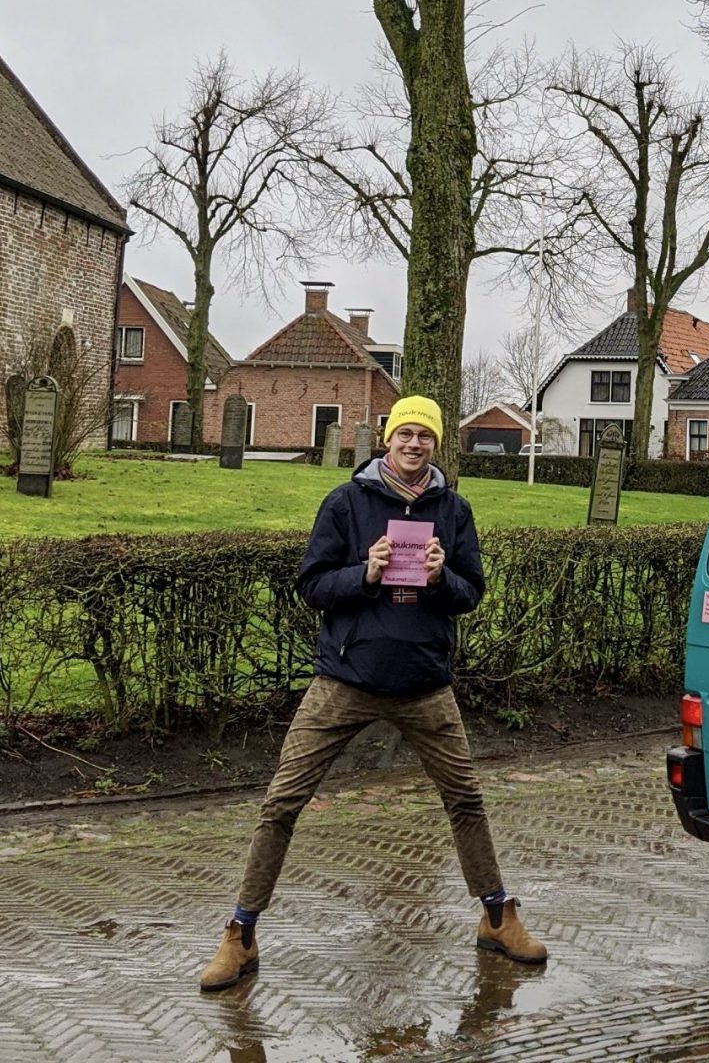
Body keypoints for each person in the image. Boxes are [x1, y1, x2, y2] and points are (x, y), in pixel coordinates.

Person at [199, 396, 547, 992]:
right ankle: (241, 931)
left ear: (437, 445)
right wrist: (364, 571)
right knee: (282, 803)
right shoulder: (345, 502)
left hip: (424, 683)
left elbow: (471, 592)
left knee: (466, 801)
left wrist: (441, 579)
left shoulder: (453, 510)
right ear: (389, 438)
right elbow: (312, 584)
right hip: (346, 680)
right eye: (406, 434)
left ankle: (496, 915)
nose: (414, 445)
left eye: (426, 437)